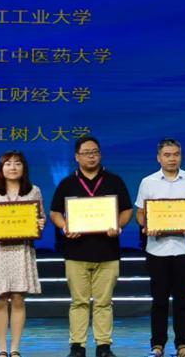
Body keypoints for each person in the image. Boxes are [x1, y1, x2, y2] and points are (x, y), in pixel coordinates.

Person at [50, 136, 134, 357]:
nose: (91, 156)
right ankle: (77, 346)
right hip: (76, 252)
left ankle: (103, 346)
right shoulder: (67, 183)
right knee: (78, 302)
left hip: (108, 252)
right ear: (77, 156)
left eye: (95, 152)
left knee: (104, 302)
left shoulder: (114, 181)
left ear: (100, 154)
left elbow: (127, 209)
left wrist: (118, 225)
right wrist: (65, 226)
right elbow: (55, 212)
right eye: (86, 152)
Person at [135, 138, 185, 357]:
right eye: (167, 155)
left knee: (182, 300)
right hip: (157, 250)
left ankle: (182, 345)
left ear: (181, 156)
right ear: (159, 158)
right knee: (159, 300)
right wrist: (147, 226)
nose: (172, 159)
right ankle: (157, 345)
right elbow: (140, 213)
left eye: (176, 154)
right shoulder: (148, 182)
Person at [0, 150, 45, 357]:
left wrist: (40, 223)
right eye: (8, 164)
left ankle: (15, 348)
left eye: (17, 163)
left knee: (18, 299)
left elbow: (40, 217)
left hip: (21, 250)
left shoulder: (34, 191)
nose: (13, 167)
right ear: (1, 168)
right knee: (0, 299)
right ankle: (1, 348)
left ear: (24, 168)